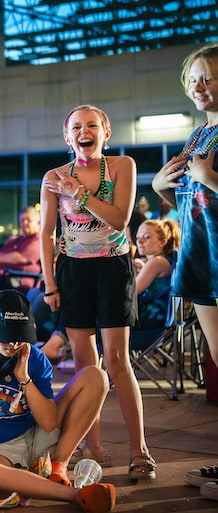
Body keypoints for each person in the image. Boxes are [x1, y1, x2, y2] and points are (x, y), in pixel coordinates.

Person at [40, 104, 155, 481]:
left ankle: (139, 450)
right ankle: (92, 446)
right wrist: (50, 284)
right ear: (67, 136)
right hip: (72, 272)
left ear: (106, 132)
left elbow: (120, 218)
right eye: (76, 126)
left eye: (92, 125)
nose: (84, 131)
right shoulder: (54, 176)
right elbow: (46, 234)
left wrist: (79, 193)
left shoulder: (122, 165)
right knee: (87, 368)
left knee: (118, 362)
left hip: (112, 268)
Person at [0, 290, 116, 513]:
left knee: (95, 376)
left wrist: (24, 379)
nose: (14, 344)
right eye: (6, 336)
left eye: (21, 336)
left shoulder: (34, 358)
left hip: (38, 434)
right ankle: (75, 495)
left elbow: (48, 423)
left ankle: (58, 466)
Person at [151, 44, 218, 499]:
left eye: (209, 77)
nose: (198, 86)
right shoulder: (198, 137)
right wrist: (158, 187)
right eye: (193, 78)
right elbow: (186, 199)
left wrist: (208, 178)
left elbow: (207, 187)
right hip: (200, 255)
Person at [132, 219, 180, 331]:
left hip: (150, 320)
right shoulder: (166, 259)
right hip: (159, 319)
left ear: (163, 241)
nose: (140, 241)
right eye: (138, 237)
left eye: (147, 237)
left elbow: (131, 292)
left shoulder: (157, 262)